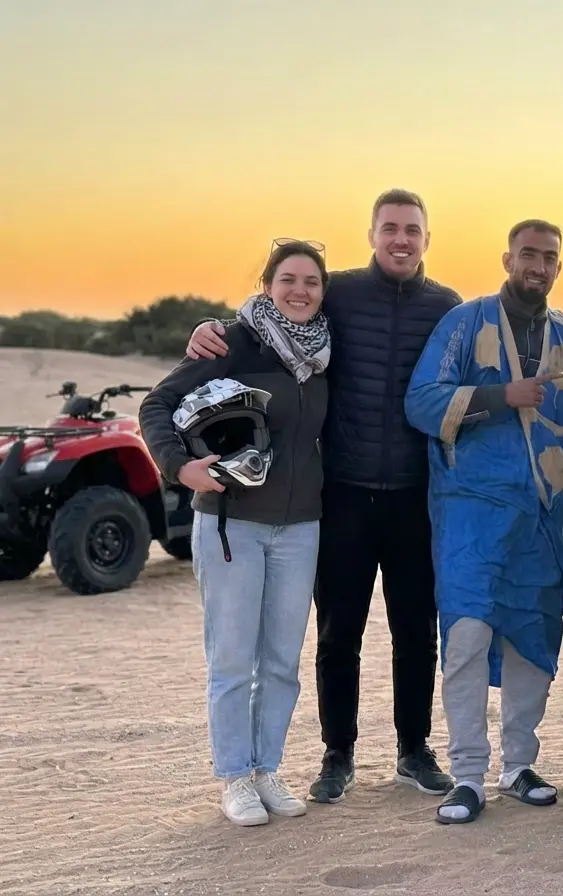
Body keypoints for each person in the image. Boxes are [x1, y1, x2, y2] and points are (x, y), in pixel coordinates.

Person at [184, 190, 462, 803]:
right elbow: (278, 311)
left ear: (426, 239)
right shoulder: (339, 293)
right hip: (341, 495)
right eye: (389, 228)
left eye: (412, 230)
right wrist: (211, 328)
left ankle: (414, 750)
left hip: (416, 497)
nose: (400, 239)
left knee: (417, 631)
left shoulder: (447, 306)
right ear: (372, 234)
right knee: (338, 633)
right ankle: (338, 755)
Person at [404, 219, 563, 825]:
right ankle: (467, 776)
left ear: (558, 267)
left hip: (542, 517)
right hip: (470, 511)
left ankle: (519, 766)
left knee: (532, 638)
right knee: (466, 635)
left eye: (549, 258)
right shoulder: (464, 324)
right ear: (507, 258)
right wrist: (502, 397)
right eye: (528, 254)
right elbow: (421, 401)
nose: (537, 266)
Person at [139, 239, 332, 826]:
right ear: (267, 285)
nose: (299, 291)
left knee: (281, 661)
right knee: (232, 658)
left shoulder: (328, 350)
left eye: (312, 282)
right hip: (230, 526)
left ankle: (267, 769)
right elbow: (156, 405)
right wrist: (180, 468)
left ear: (324, 291)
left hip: (300, 528)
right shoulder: (231, 341)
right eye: (288, 280)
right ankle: (234, 778)